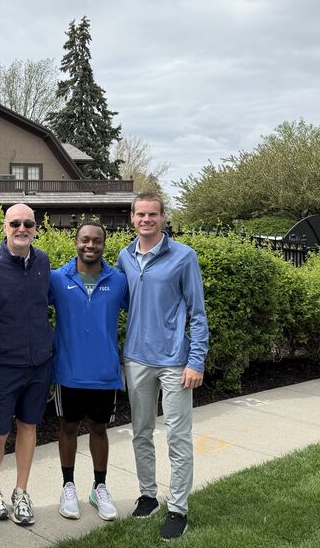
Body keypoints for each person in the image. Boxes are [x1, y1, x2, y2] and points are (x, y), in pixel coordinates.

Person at [116, 192, 210, 541]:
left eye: (152, 214)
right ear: (132, 218)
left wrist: (195, 360)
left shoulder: (184, 256)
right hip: (136, 358)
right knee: (140, 431)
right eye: (140, 214)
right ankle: (147, 495)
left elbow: (197, 313)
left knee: (177, 436)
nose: (146, 220)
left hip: (174, 362)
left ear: (163, 217)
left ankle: (178, 509)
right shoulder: (124, 256)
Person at [49, 222, 128, 523]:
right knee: (68, 427)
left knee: (99, 428)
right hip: (69, 370)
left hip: (104, 371)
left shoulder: (118, 280)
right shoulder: (57, 278)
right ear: (76, 242)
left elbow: (143, 309)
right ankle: (67, 486)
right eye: (85, 240)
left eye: (97, 241)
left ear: (104, 245)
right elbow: (27, 303)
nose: (90, 245)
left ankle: (99, 487)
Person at [0, 203, 53, 527]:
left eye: (27, 223)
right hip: (3, 365)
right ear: (4, 227)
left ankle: (21, 492)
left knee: (29, 427)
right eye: (15, 223)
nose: (21, 228)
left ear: (36, 228)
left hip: (39, 363)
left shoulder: (43, 261)